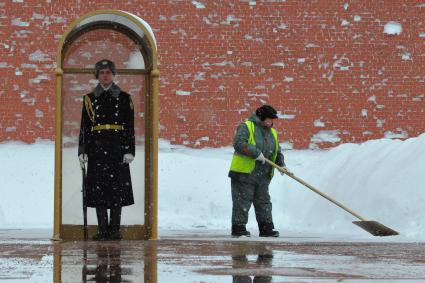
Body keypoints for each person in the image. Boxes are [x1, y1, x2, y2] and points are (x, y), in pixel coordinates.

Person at [78, 59, 135, 241]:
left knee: (116, 190)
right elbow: (84, 128)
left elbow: (129, 127)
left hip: (117, 148)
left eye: (108, 72)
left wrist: (129, 150)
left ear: (113, 74)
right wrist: (83, 150)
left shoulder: (125, 98)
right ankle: (102, 230)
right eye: (102, 72)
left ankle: (114, 230)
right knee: (99, 190)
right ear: (97, 75)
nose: (105, 76)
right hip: (97, 148)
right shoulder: (89, 99)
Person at [228, 105, 288, 238]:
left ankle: (266, 228)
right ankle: (239, 228)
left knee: (263, 202)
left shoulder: (272, 132)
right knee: (242, 202)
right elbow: (239, 143)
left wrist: (281, 165)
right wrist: (256, 153)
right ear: (260, 118)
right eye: (269, 119)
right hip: (244, 173)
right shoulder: (247, 126)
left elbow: (277, 151)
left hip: (263, 175)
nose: (271, 123)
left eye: (272, 120)